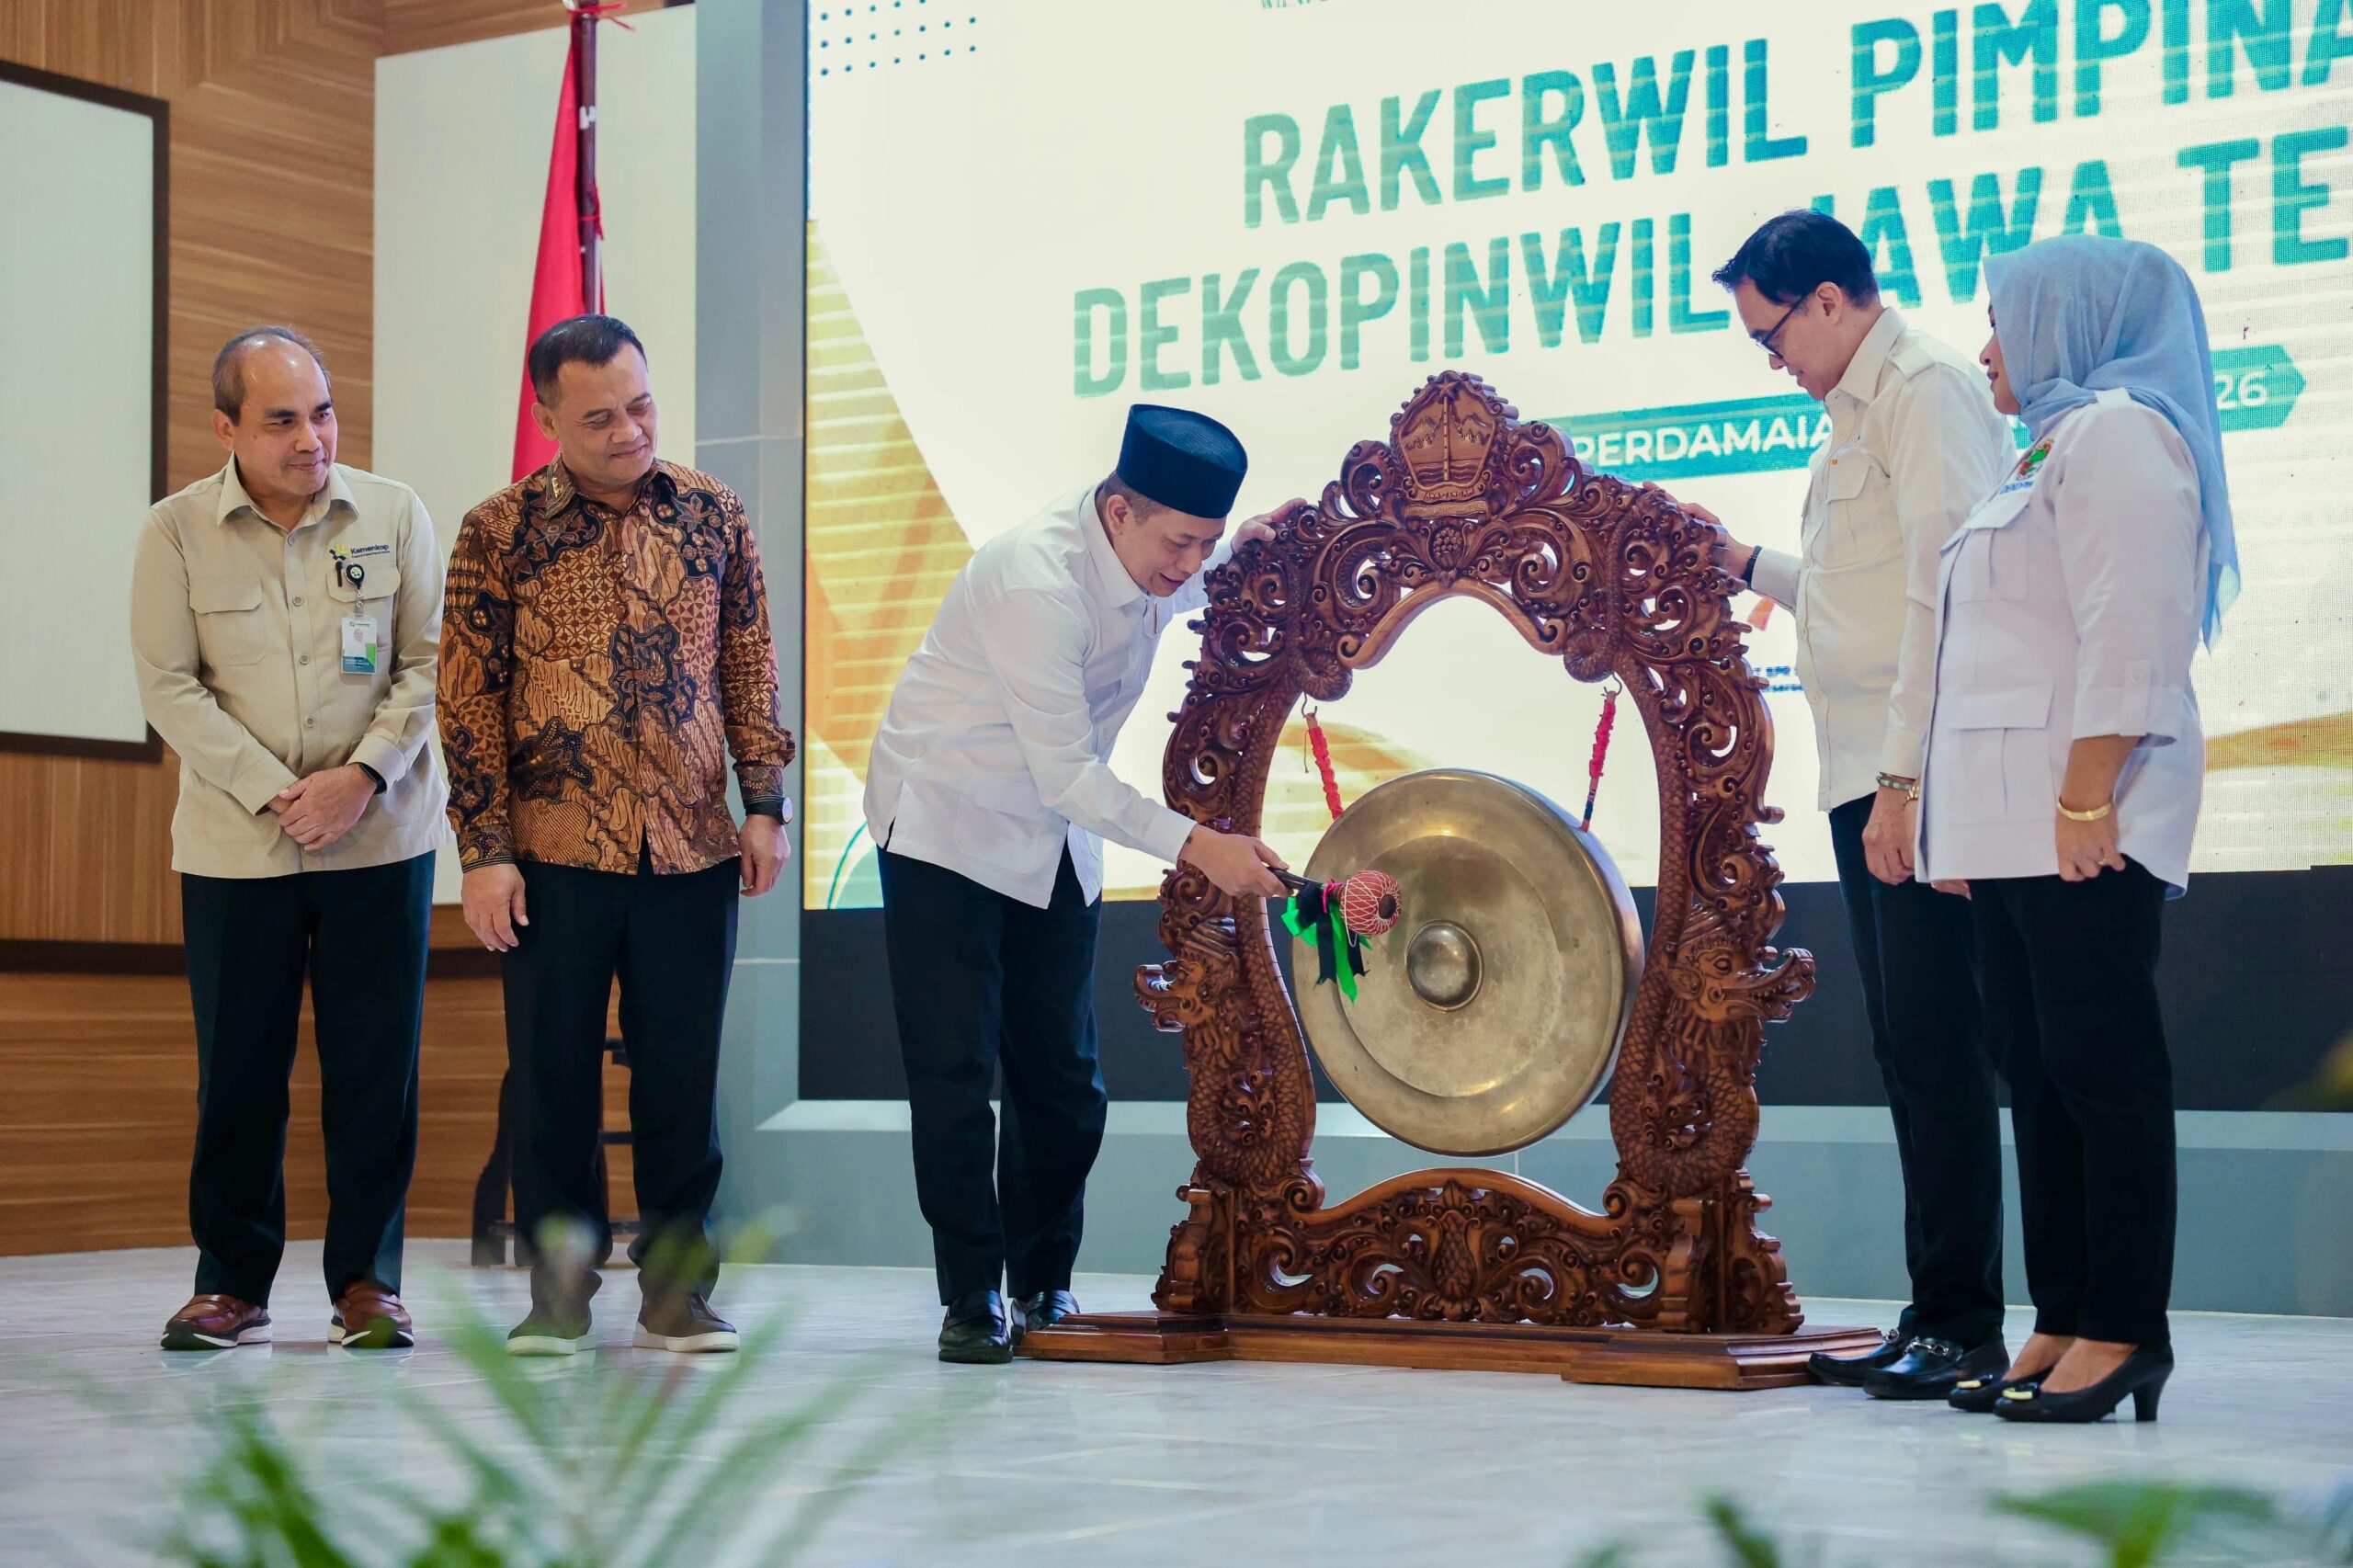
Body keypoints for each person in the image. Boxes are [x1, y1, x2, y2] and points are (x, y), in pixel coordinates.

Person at [866, 405, 1297, 1363]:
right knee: (954, 1073)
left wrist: (1242, 551)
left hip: (1052, 838)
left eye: (1207, 543)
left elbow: (1170, 595)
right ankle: (972, 1291)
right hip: (947, 822)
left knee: (1064, 1081)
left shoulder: (1148, 559)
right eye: (1177, 541)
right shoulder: (1036, 579)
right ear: (1116, 511)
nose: (1189, 564)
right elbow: (1065, 771)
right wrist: (1201, 845)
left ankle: (1043, 1275)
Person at [1676, 211, 2019, 1398]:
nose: (1772, 358)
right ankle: (1936, 1307)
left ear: (1829, 299)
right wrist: (1739, 564)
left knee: (1941, 1044)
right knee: (1910, 1047)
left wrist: (1913, 780)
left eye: (1772, 333)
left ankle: (1965, 1320)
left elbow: (1954, 585)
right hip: (1864, 763)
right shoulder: (1853, 416)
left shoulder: (1923, 392)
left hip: (1912, 767)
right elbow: (1852, 592)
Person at [1917, 234, 2233, 1424]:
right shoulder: (2038, 449)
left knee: (2103, 1075)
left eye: (2004, 320)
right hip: (2012, 833)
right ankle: (2060, 1313)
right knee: (2038, 1078)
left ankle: (2125, 1327)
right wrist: (1963, 835)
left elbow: (2133, 622)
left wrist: (2088, 792)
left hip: (2082, 819)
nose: (1989, 347)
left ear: (2070, 322)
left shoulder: (2121, 434)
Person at [438, 314, 795, 1357]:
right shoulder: (495, 531)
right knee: (551, 1082)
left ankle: (679, 1290)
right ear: (547, 416)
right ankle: (557, 1296)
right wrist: (484, 848)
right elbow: (466, 699)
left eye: (639, 405)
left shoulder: (713, 514)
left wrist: (764, 801)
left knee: (681, 1080)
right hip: (550, 852)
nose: (628, 429)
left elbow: (749, 665)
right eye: (598, 417)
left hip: (689, 845)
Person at [131, 326, 449, 1351]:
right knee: (239, 1069)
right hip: (238, 849)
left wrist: (360, 777)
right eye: (281, 419)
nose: (311, 437)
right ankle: (231, 1280)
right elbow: (170, 689)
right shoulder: (175, 532)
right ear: (225, 427)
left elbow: (429, 661)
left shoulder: (393, 512)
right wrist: (281, 793)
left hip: (378, 836)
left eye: (322, 412)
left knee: (374, 1067)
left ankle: (366, 1280)